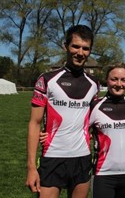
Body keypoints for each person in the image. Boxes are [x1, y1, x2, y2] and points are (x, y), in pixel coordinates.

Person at [26, 24, 99, 198]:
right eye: (75, 46)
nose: (80, 52)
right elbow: (34, 123)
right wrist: (30, 168)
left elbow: (93, 121)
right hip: (52, 157)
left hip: (82, 158)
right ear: (65, 46)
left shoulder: (94, 84)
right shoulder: (47, 79)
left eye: (85, 48)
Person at [90, 63, 125, 198]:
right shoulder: (95, 105)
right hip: (103, 173)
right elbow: (78, 130)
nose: (119, 84)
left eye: (123, 80)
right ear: (107, 80)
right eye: (114, 79)